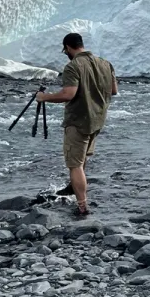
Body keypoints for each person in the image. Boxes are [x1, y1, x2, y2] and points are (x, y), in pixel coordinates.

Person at [37, 33, 117, 216]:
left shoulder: (73, 67)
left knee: (75, 164)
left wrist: (44, 97)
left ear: (68, 47)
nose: (65, 53)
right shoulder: (105, 63)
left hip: (78, 120)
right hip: (97, 119)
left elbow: (68, 94)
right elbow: (113, 90)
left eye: (64, 50)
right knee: (82, 160)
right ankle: (72, 187)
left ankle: (82, 206)